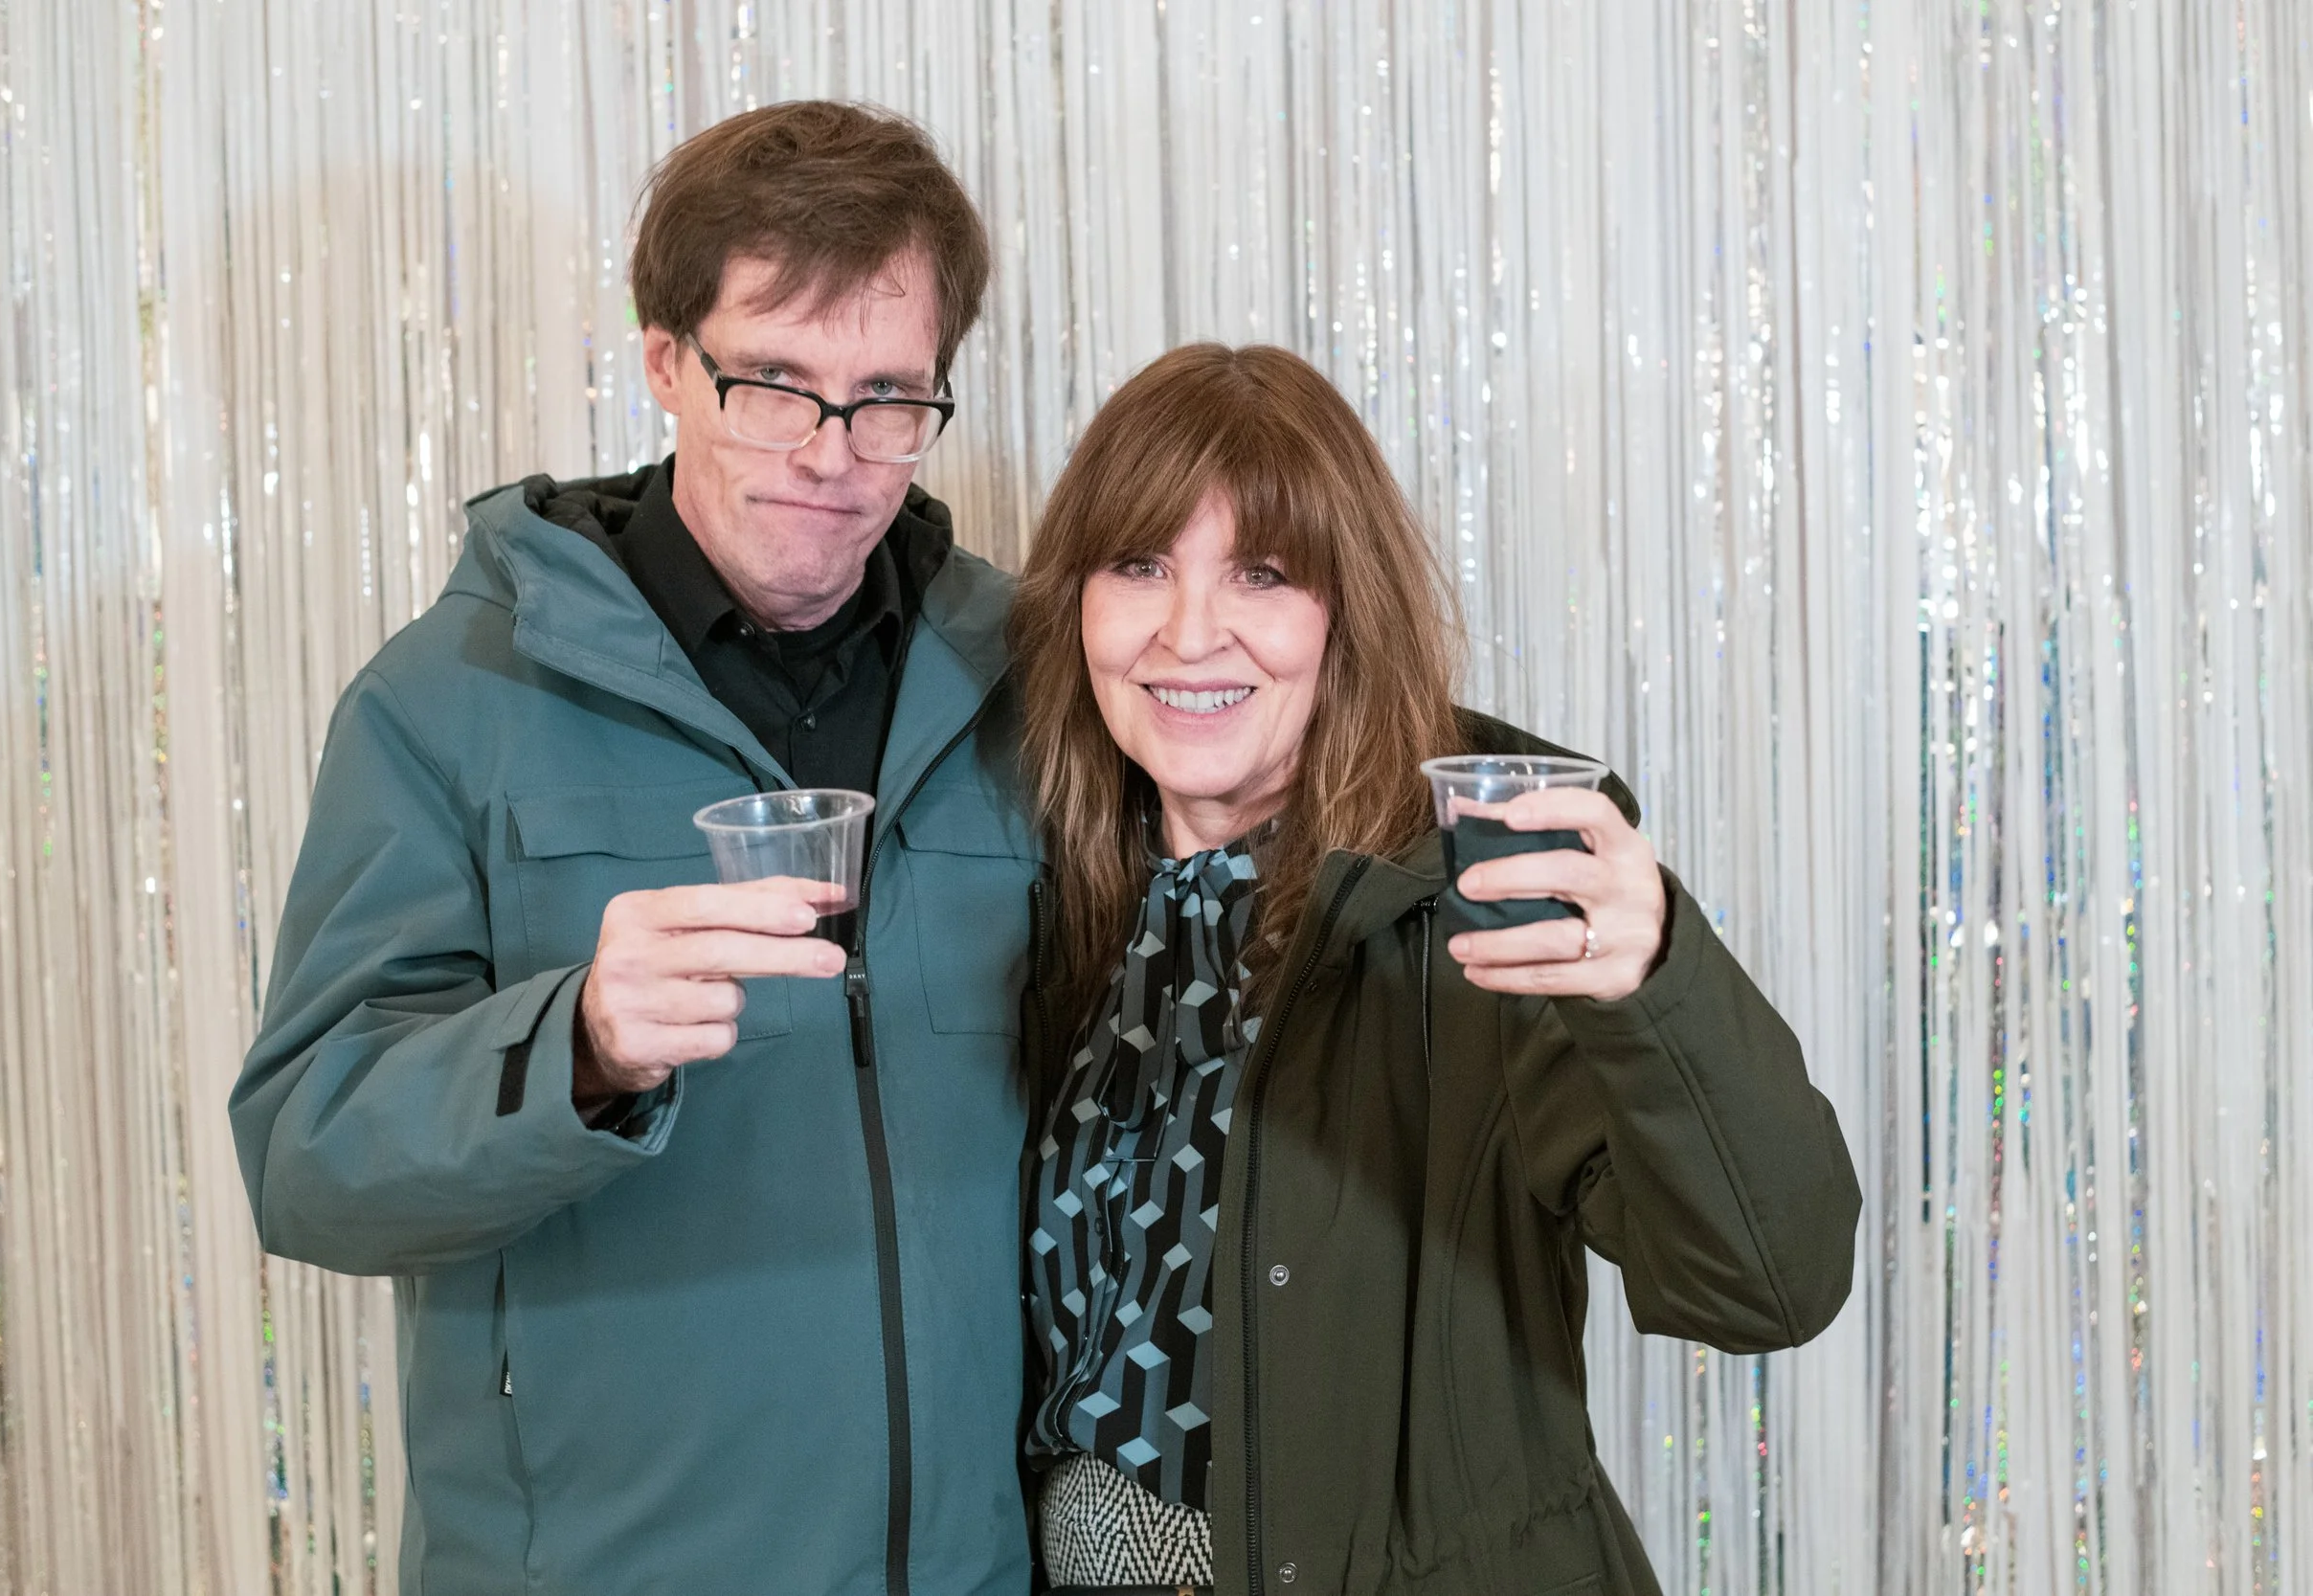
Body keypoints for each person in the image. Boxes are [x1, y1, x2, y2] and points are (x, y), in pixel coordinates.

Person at [231, 103, 1039, 1596]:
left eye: (885, 396)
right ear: (665, 361)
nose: (831, 454)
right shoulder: (449, 698)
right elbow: (304, 1160)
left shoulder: (1032, 680)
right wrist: (580, 1044)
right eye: (773, 384)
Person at [1006, 344, 1861, 1594]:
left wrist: (1655, 980)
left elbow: (1770, 1285)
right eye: (1139, 564)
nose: (1189, 632)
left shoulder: (1492, 890)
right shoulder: (1039, 882)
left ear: (1344, 612)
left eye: (1261, 573)